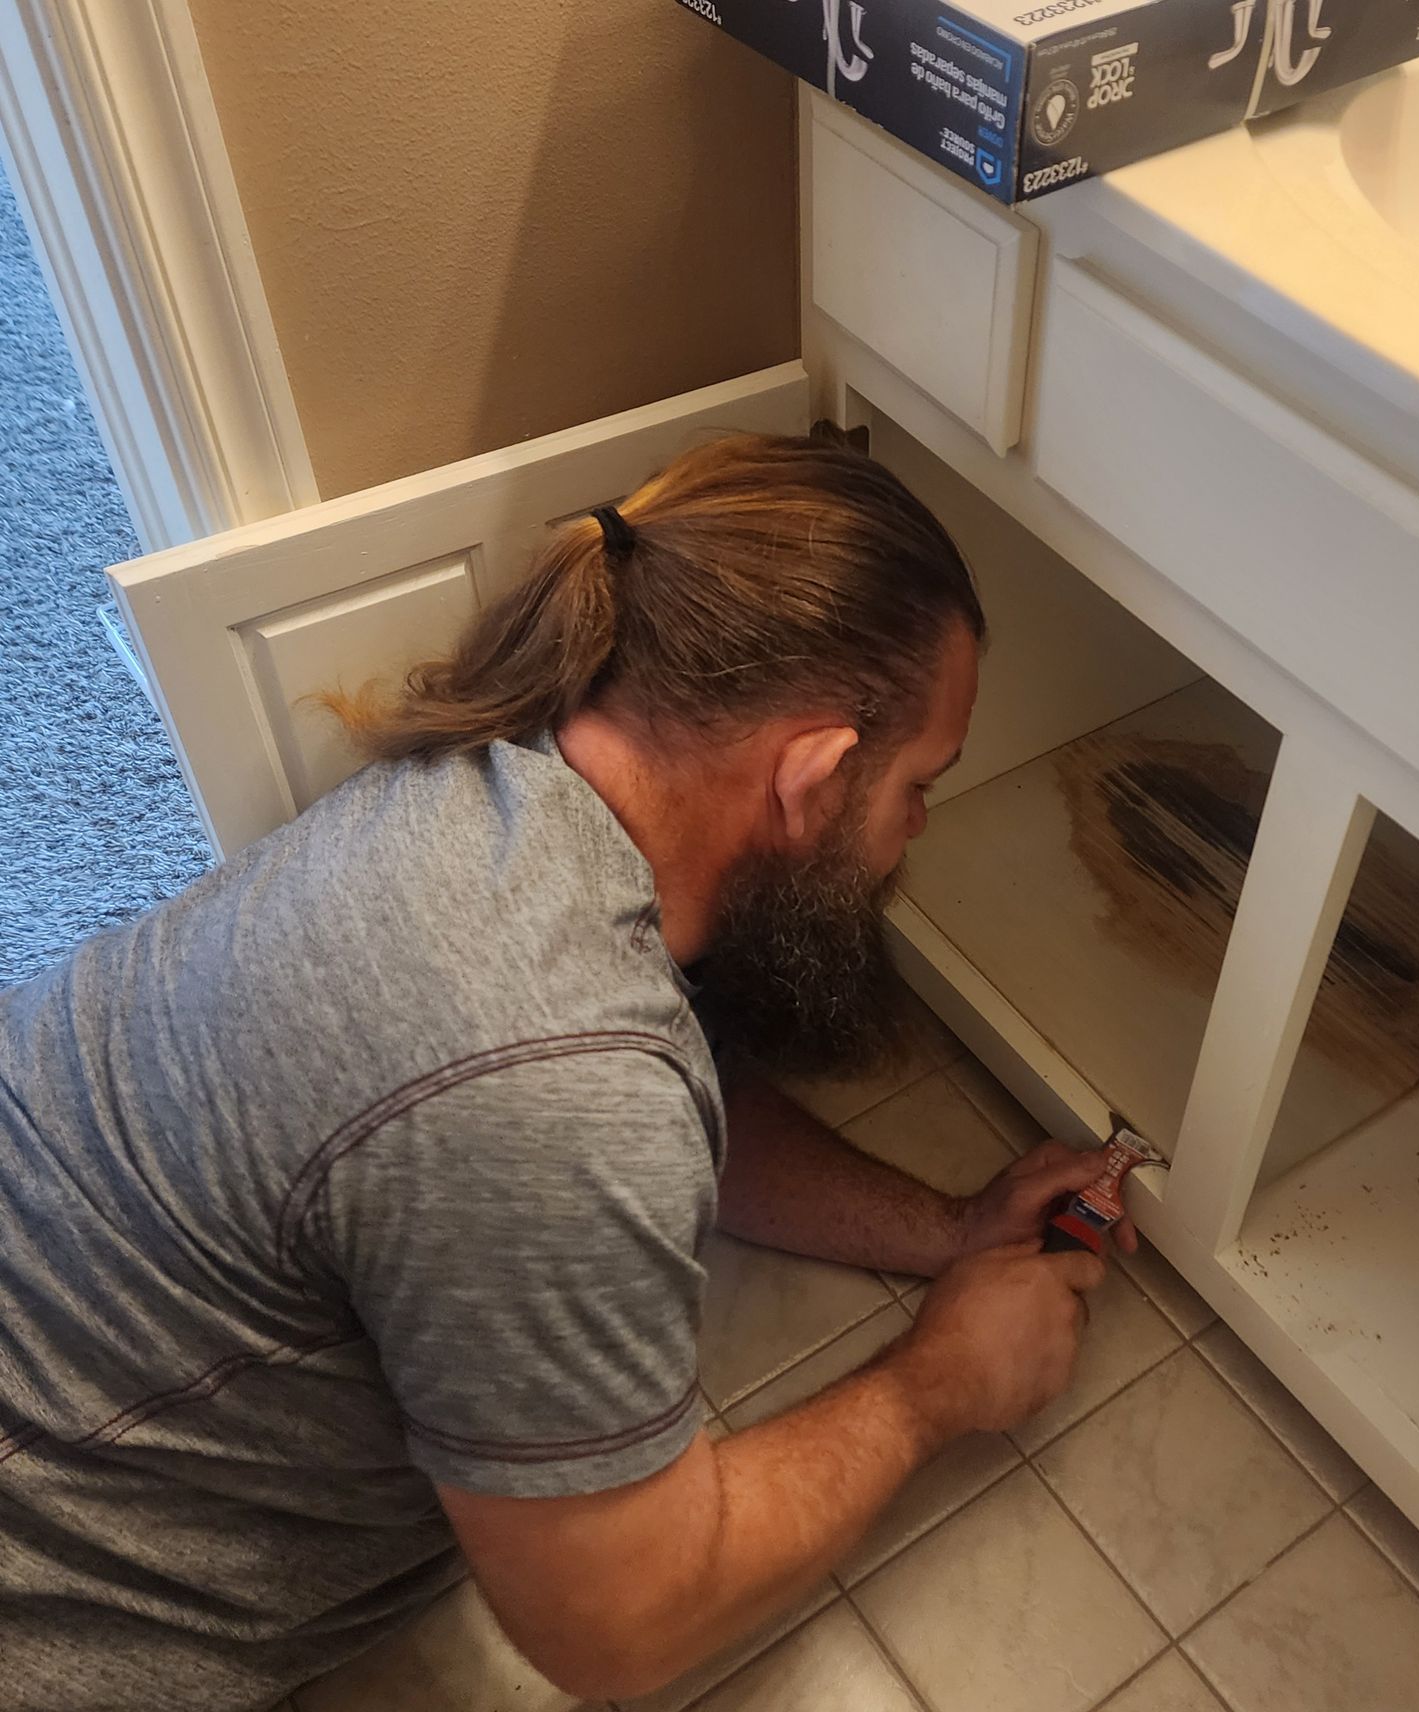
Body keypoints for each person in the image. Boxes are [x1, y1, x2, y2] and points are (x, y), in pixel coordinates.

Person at [0, 428, 1129, 1711]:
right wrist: (938, 1386)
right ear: (812, 775)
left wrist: (948, 1231)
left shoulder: (503, 792)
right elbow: (622, 1629)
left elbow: (671, 1087)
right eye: (918, 784)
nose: (917, 831)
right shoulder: (556, 1081)